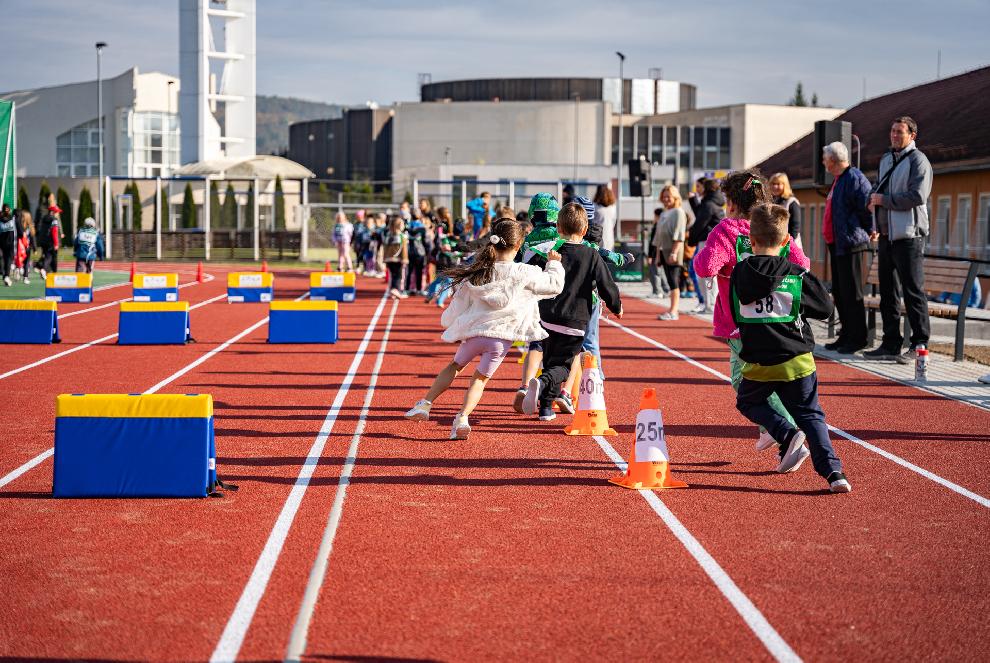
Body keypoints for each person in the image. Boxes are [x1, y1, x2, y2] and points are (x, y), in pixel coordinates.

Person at [404, 219, 564, 439]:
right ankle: (462, 418)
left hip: (474, 333)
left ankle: (425, 403)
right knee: (479, 380)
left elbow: (458, 303)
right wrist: (554, 264)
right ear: (519, 246)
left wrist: (447, 321)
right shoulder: (525, 272)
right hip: (501, 339)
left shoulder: (477, 272)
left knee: (455, 366)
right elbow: (554, 285)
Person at [731, 203, 851, 491]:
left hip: (759, 361)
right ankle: (834, 472)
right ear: (786, 242)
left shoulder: (740, 272)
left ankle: (785, 433)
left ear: (753, 241)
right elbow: (825, 309)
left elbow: (736, 309)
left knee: (748, 401)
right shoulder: (797, 274)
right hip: (797, 359)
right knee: (811, 415)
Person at [694, 169, 811, 455]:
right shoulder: (772, 225)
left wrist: (713, 255)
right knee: (771, 377)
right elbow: (802, 263)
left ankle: (783, 430)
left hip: (741, 320)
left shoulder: (727, 230)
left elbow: (705, 267)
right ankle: (776, 431)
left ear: (732, 203)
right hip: (778, 318)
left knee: (742, 380)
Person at [521, 202, 623, 421]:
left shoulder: (551, 251)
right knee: (564, 367)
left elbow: (530, 271)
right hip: (574, 320)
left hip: (547, 316)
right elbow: (607, 284)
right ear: (585, 230)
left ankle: (546, 409)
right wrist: (616, 306)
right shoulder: (591, 255)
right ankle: (541, 383)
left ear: (558, 228)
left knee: (550, 360)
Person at [864, 116, 933, 362]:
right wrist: (871, 201)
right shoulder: (886, 159)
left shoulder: (918, 160)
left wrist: (885, 201)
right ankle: (891, 342)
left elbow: (917, 195)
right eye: (892, 131)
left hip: (909, 235)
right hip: (886, 236)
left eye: (900, 132)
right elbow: (876, 189)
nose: (894, 135)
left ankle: (920, 344)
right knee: (888, 292)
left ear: (912, 135)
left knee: (913, 291)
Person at [819, 141, 874, 355]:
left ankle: (858, 337)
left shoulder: (854, 178)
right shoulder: (838, 180)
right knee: (841, 292)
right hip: (838, 244)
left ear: (833, 160)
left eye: (825, 159)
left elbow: (867, 206)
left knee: (853, 292)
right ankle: (846, 334)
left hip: (851, 243)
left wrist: (871, 229)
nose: (823, 163)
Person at [687, 177, 725, 314]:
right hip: (710, 241)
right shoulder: (711, 203)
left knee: (707, 274)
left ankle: (711, 305)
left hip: (709, 242)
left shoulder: (709, 204)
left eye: (699, 186)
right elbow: (700, 216)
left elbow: (699, 224)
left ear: (706, 188)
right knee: (704, 274)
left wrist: (691, 240)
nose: (697, 189)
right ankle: (709, 304)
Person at [653, 185, 687, 320]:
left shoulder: (678, 212)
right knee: (668, 281)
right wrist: (657, 255)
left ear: (675, 197)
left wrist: (674, 253)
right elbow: (658, 236)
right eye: (664, 196)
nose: (666, 199)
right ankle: (671, 309)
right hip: (662, 250)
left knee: (673, 281)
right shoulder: (663, 213)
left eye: (669, 196)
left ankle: (674, 311)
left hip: (673, 251)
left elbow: (679, 235)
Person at [768, 172, 802, 247]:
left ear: (785, 185)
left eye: (778, 184)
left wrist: (787, 244)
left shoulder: (792, 202)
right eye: (773, 184)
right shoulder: (771, 202)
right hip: (774, 245)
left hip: (789, 245)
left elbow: (795, 228)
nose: (775, 186)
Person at [382, 216, 408, 299]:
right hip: (397, 259)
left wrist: (385, 258)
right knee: (398, 276)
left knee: (393, 275)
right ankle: (395, 289)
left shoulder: (388, 236)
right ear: (399, 226)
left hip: (389, 259)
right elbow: (403, 249)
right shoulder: (402, 236)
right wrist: (405, 259)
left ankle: (393, 292)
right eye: (403, 224)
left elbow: (385, 248)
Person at [645, 206, 669, 298]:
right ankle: (666, 290)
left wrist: (650, 255)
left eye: (655, 216)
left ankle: (657, 291)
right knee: (660, 272)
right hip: (661, 252)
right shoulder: (663, 225)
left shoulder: (657, 226)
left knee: (654, 272)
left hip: (655, 253)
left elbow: (653, 242)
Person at [36, 204, 62, 279]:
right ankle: (45, 269)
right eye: (57, 212)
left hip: (43, 240)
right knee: (50, 257)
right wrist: (56, 243)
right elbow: (54, 232)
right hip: (51, 241)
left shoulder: (44, 218)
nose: (58, 213)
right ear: (53, 212)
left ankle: (43, 269)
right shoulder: (54, 220)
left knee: (46, 255)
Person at [405, 215, 429, 294]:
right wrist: (427, 251)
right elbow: (425, 241)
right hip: (420, 252)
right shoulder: (422, 228)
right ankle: (418, 289)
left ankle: (407, 289)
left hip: (410, 252)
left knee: (409, 271)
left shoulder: (407, 226)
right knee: (419, 272)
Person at [592, 184, 617, 251]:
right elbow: (614, 222)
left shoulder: (595, 207)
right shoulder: (613, 207)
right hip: (609, 236)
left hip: (597, 236)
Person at [14, 210, 35, 284]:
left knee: (22, 261)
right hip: (24, 247)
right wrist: (34, 248)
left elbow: (32, 238)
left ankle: (18, 270)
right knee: (26, 262)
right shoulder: (25, 227)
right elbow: (32, 238)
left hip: (22, 247)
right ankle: (25, 277)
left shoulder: (22, 227)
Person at [0, 205, 16, 286]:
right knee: (8, 259)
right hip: (9, 243)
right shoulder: (12, 219)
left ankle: (5, 275)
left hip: (3, 243)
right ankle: (6, 275)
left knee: (4, 259)